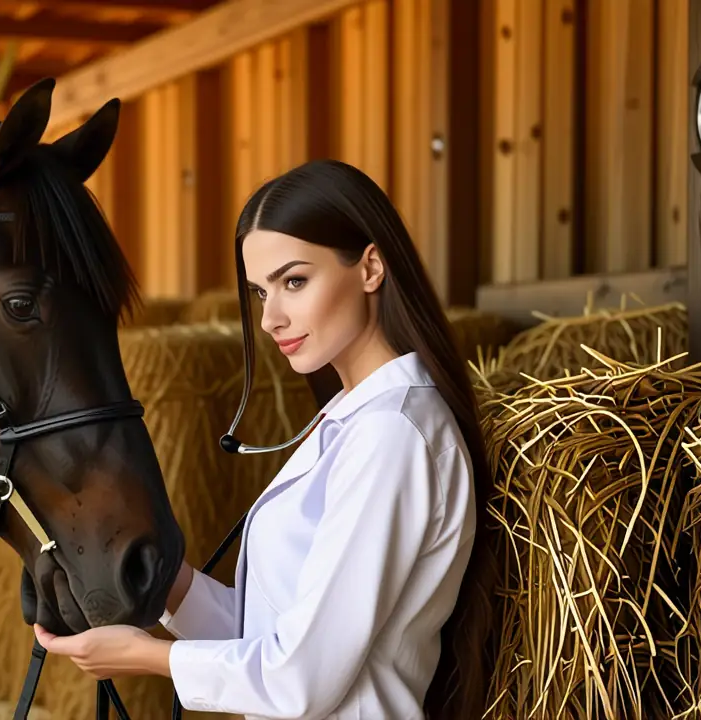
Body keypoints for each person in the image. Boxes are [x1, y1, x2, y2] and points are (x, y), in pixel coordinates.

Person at [33, 159, 498, 720]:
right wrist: (162, 581)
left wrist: (153, 658)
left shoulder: (392, 435)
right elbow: (271, 633)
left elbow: (302, 677)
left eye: (294, 281)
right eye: (259, 292)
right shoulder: (350, 419)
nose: (270, 318)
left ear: (371, 267)